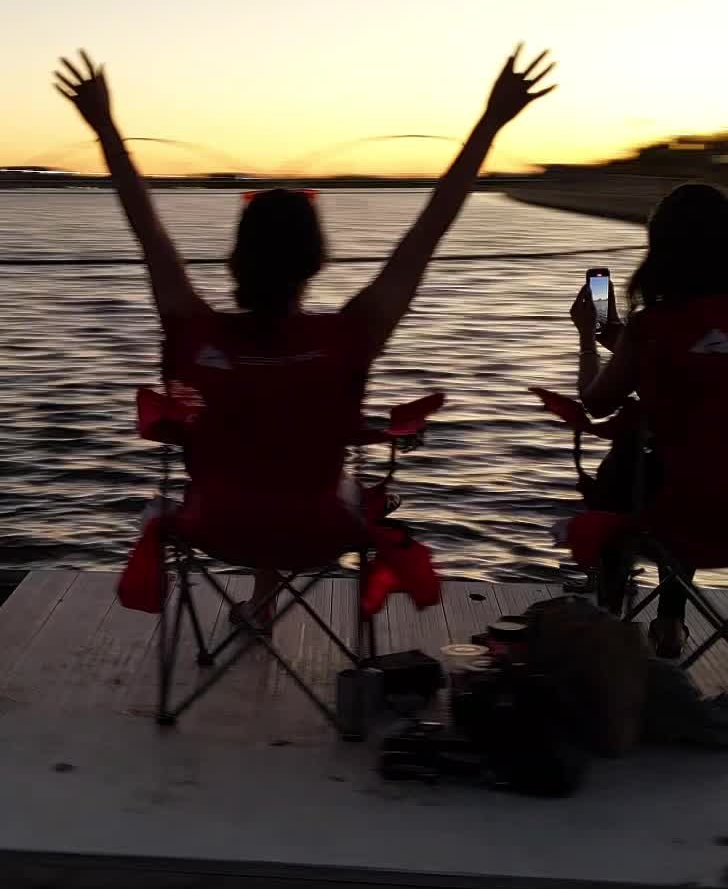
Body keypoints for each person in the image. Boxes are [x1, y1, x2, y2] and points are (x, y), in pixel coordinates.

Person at [55, 46, 555, 625]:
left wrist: (105, 126)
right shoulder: (351, 334)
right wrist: (491, 122)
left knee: (255, 475)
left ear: (237, 258)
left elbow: (149, 233)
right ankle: (267, 599)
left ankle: (261, 602)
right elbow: (428, 232)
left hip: (215, 528)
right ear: (316, 259)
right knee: (322, 484)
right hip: (321, 531)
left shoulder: (194, 331)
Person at [571, 181, 728, 656]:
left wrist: (588, 338)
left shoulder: (653, 328)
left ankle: (610, 614)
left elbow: (597, 402)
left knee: (637, 467)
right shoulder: (649, 334)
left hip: (678, 511)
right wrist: (627, 345)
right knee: (704, 458)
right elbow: (704, 375)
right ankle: (671, 621)